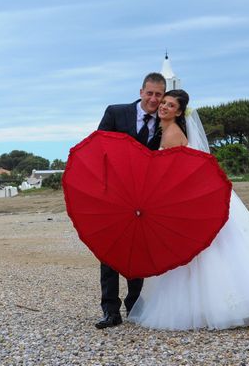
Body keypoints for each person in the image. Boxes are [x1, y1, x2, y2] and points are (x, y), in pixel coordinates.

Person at [128, 90, 249, 330]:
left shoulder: (171, 135)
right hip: (192, 195)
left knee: (203, 250)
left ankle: (212, 306)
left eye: (170, 105)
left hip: (188, 198)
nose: (164, 107)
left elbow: (175, 173)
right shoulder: (169, 131)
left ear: (178, 112)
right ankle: (220, 303)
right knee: (208, 249)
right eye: (163, 103)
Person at [94, 72, 166, 329]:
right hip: (113, 195)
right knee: (109, 251)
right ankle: (110, 310)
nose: (153, 99)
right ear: (141, 91)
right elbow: (98, 148)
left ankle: (135, 304)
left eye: (158, 94)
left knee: (139, 249)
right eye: (150, 93)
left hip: (145, 198)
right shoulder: (115, 112)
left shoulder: (166, 121)